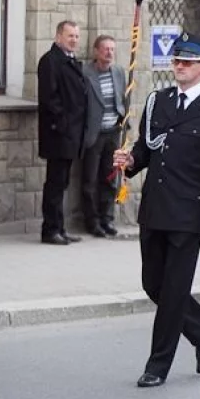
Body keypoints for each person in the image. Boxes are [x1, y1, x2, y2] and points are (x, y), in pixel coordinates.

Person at [113, 33, 200, 388]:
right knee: (154, 284)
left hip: (188, 214)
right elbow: (146, 148)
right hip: (155, 208)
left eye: (187, 62)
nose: (179, 67)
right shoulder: (158, 102)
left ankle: (157, 366)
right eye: (177, 61)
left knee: (173, 291)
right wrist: (131, 160)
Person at [37, 20, 88, 246]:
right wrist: (64, 124)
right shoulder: (50, 61)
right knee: (56, 184)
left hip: (71, 134)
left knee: (63, 182)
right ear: (59, 37)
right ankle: (50, 230)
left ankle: (60, 227)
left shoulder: (70, 61)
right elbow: (50, 98)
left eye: (77, 36)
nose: (74, 40)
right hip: (58, 134)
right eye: (70, 36)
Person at [81, 34, 126, 237]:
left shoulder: (118, 72)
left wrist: (124, 120)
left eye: (112, 49)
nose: (109, 53)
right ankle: (92, 222)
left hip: (113, 133)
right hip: (94, 134)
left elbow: (124, 97)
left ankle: (107, 219)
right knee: (89, 179)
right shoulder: (85, 72)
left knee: (110, 178)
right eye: (105, 49)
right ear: (96, 51)